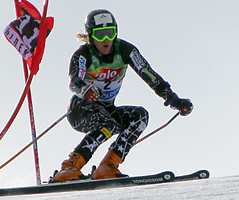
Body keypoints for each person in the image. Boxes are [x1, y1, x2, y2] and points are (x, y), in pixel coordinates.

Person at [53, 9, 193, 182]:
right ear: (90, 36)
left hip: (107, 109)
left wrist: (173, 99)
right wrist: (84, 90)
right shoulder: (83, 54)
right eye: (100, 35)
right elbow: (74, 81)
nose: (106, 40)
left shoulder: (125, 50)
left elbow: (149, 75)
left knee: (139, 117)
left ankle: (108, 166)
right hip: (80, 110)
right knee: (108, 123)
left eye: (109, 34)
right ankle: (69, 167)